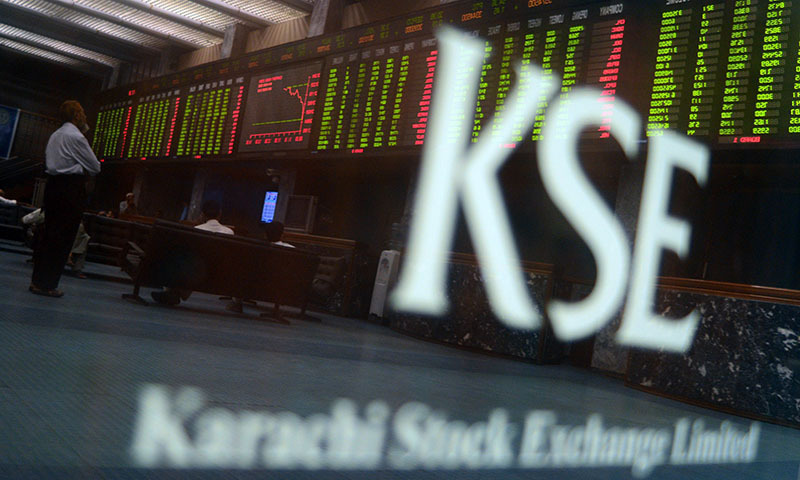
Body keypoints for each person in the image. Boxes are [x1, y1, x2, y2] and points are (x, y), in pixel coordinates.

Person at [30, 100, 100, 297]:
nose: (85, 116)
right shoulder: (76, 137)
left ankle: (38, 281)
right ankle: (48, 284)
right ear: (77, 115)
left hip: (52, 187)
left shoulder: (56, 135)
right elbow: (95, 167)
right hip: (70, 190)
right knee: (63, 239)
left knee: (49, 235)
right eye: (83, 112)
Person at [151, 200, 233, 305]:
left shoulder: (197, 229)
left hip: (199, 271)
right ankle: (173, 293)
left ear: (202, 214)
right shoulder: (230, 232)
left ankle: (171, 292)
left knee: (183, 262)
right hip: (219, 271)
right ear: (220, 214)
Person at [225, 221, 294, 313]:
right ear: (282, 234)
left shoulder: (255, 248)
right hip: (280, 287)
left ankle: (237, 303)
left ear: (265, 234)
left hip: (253, 285)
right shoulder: (291, 250)